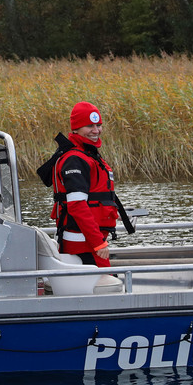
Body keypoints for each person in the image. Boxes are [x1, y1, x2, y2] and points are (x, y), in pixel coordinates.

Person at [45, 102, 121, 267]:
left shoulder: (87, 154)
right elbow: (77, 206)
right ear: (76, 129)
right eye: (89, 126)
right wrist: (98, 243)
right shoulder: (75, 160)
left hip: (91, 241)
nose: (96, 131)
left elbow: (96, 195)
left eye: (98, 125)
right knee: (103, 286)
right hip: (83, 245)